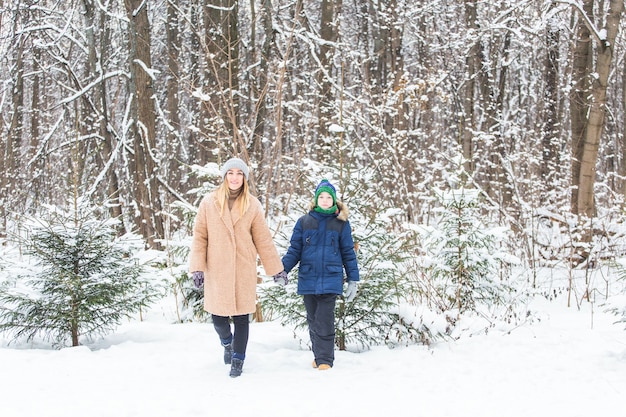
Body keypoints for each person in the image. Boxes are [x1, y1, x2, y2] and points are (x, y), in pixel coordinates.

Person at [189, 157, 286, 377]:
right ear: (225, 176)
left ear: (244, 178)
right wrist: (197, 267)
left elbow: (263, 239)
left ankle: (238, 359)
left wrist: (275, 269)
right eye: (231, 173)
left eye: (239, 173)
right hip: (217, 268)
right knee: (218, 318)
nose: (234, 177)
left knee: (242, 317)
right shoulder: (209, 202)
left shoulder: (252, 204)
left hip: (243, 267)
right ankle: (227, 343)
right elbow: (200, 236)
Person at [278, 179, 359, 370]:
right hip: (308, 278)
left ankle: (325, 359)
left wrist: (353, 279)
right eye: (321, 197)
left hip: (331, 278)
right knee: (313, 319)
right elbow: (294, 250)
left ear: (334, 201)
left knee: (324, 318)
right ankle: (318, 355)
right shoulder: (304, 222)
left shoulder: (341, 224)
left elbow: (348, 252)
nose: (324, 200)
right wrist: (282, 270)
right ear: (315, 199)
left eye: (328, 197)